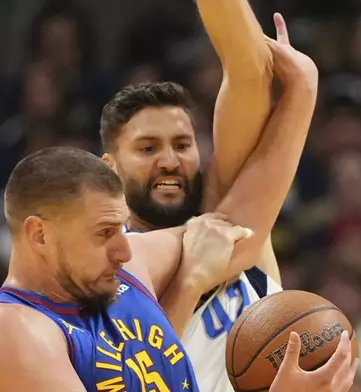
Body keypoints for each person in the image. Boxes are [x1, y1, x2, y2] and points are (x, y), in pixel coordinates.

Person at [0, 147, 358, 392]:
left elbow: (241, 229)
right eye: (104, 232)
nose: (124, 248)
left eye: (122, 227)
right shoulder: (5, 330)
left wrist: (301, 91)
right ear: (39, 235)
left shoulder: (129, 272)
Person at [100, 5, 313, 391]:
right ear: (110, 167)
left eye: (182, 145)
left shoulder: (231, 213)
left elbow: (248, 72)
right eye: (147, 149)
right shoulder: (111, 262)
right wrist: (302, 92)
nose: (169, 161)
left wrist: (302, 86)